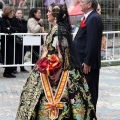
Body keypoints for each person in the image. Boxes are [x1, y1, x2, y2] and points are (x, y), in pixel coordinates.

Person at [16, 2, 96, 120]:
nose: (47, 13)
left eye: (49, 11)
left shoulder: (60, 31)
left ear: (56, 14)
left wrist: (56, 71)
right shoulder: (55, 28)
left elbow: (63, 54)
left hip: (57, 70)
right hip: (48, 65)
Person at [73, 0, 103, 111]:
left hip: (89, 64)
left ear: (89, 4)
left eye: (82, 1)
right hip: (83, 61)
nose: (79, 3)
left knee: (90, 92)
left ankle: (91, 114)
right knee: (84, 91)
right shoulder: (88, 17)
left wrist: (87, 62)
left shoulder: (94, 18)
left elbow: (92, 42)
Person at [1, 6, 19, 78]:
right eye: (11, 12)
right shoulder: (3, 19)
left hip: (12, 40)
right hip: (5, 40)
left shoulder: (15, 19)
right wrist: (11, 29)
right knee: (7, 56)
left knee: (12, 56)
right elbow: (4, 30)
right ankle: (6, 72)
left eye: (13, 12)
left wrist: (10, 28)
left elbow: (19, 28)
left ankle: (10, 71)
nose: (12, 14)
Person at [12, 8, 29, 73]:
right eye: (18, 13)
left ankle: (22, 67)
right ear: (15, 14)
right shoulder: (14, 21)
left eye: (20, 13)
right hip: (16, 40)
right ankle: (14, 68)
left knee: (23, 53)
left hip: (23, 39)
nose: (19, 14)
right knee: (16, 54)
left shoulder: (24, 21)